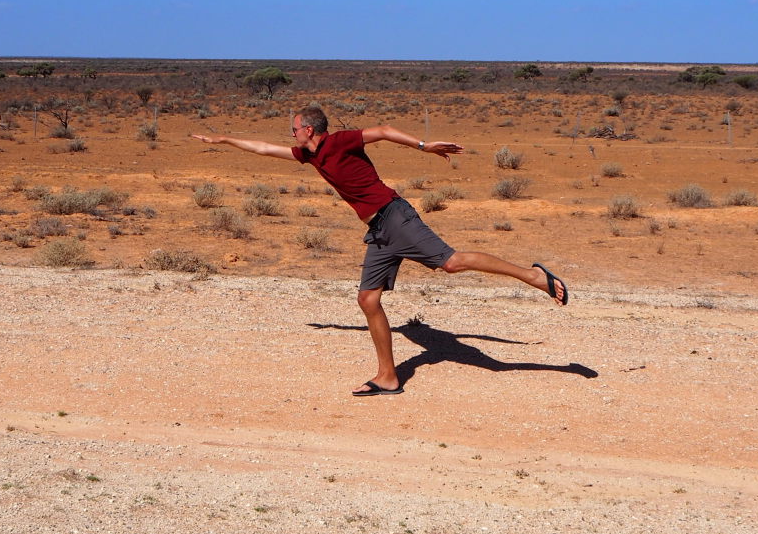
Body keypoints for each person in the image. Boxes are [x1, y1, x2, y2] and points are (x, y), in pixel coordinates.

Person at [190, 105, 569, 396]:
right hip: (379, 230)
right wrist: (223, 140)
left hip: (395, 216)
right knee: (368, 300)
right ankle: (388, 376)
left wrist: (424, 146)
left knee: (451, 263)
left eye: (294, 128)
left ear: (309, 129)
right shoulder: (310, 155)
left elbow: (384, 131)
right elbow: (263, 149)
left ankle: (533, 276)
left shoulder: (340, 141)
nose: (291, 134)